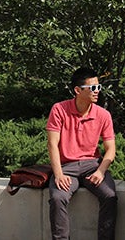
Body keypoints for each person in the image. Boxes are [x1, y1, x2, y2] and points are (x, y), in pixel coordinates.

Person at [45, 66, 117, 240]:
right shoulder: (59, 109)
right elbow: (52, 145)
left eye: (98, 87)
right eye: (92, 88)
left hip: (92, 166)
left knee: (110, 196)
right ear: (77, 90)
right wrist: (59, 174)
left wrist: (101, 171)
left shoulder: (103, 115)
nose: (97, 91)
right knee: (57, 198)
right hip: (66, 167)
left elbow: (111, 149)